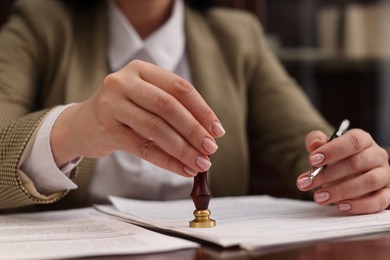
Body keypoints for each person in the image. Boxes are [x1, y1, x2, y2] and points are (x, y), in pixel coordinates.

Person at [0, 0, 389, 215]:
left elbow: (310, 152)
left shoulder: (238, 36)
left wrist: (349, 171)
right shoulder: (40, 23)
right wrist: (71, 129)